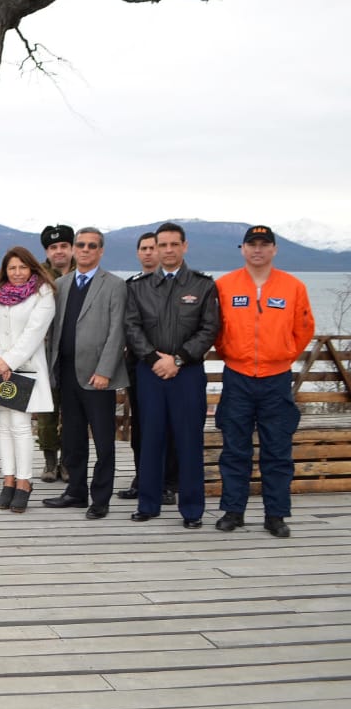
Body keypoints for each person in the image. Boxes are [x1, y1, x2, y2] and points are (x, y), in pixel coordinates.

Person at [214, 225, 315, 537]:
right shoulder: (224, 285)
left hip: (276, 380)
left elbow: (305, 329)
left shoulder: (293, 287)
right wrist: (230, 353)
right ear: (242, 249)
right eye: (252, 244)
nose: (257, 250)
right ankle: (234, 511)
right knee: (234, 448)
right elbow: (214, 327)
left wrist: (282, 355)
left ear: (274, 249)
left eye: (264, 244)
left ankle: (276, 515)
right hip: (238, 377)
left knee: (278, 449)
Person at [125, 221, 220, 528]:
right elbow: (132, 327)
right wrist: (154, 358)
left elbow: (210, 329)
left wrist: (177, 359)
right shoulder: (139, 287)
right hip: (150, 372)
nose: (167, 250)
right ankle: (148, 503)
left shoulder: (203, 285)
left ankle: (192, 510)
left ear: (184, 246)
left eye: (173, 244)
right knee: (150, 438)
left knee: (189, 441)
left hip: (187, 373)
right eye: (162, 244)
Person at [42, 229, 129, 519]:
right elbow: (53, 329)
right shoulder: (62, 284)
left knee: (104, 442)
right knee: (72, 437)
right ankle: (75, 491)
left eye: (92, 246)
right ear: (74, 250)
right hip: (66, 373)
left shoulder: (115, 285)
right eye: (81, 245)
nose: (86, 249)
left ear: (101, 251)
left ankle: (100, 498)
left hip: (97, 377)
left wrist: (105, 370)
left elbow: (117, 331)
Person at [0, 246, 57, 513]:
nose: (17, 273)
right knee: (3, 426)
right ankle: (8, 479)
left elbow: (35, 332)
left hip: (25, 368)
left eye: (23, 267)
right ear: (5, 269)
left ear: (32, 267)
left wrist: (9, 361)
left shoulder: (42, 293)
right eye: (12, 268)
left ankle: (24, 481)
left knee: (21, 427)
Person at [116, 232, 178, 503]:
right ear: (138, 253)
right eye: (144, 248)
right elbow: (127, 325)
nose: (149, 252)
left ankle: (168, 483)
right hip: (138, 364)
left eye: (154, 248)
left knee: (169, 426)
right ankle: (143, 478)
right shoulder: (131, 285)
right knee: (140, 426)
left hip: (170, 365)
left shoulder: (175, 285)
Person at [36, 224, 75, 483]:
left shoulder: (82, 274)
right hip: (46, 351)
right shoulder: (37, 276)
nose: (58, 251)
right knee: (46, 412)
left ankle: (69, 461)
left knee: (73, 412)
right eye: (53, 247)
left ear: (71, 248)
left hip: (73, 352)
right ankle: (50, 461)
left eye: (63, 246)